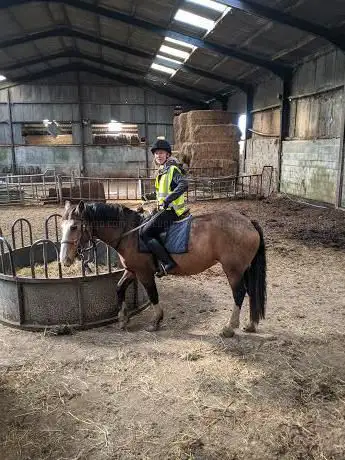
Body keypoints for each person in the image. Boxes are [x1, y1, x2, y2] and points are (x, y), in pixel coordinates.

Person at [140, 139, 188, 277]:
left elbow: (183, 184)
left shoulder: (172, 169)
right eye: (156, 154)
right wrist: (146, 197)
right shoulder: (162, 171)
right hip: (163, 209)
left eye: (161, 153)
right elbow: (159, 192)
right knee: (144, 223)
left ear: (167, 155)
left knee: (145, 233)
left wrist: (168, 200)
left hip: (172, 211)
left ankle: (168, 262)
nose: (158, 156)